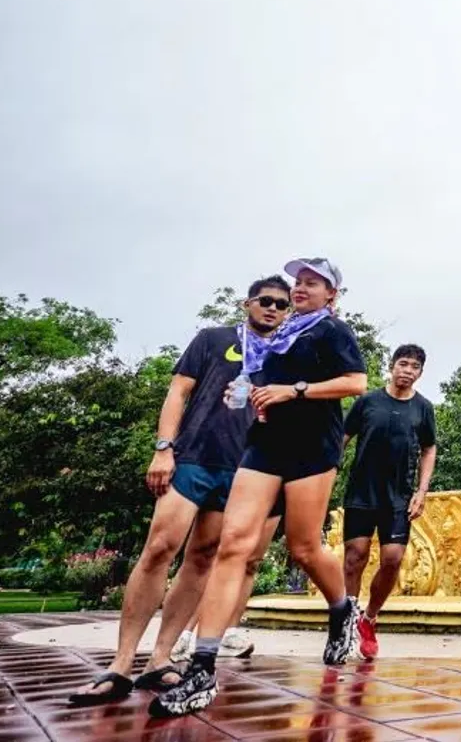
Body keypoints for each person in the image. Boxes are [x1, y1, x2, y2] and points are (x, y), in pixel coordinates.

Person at [152, 258, 369, 718]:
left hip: (314, 449)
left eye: (313, 283)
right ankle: (202, 665)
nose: (301, 288)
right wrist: (259, 398)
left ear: (332, 294)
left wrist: (295, 390)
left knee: (305, 547)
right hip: (265, 446)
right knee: (234, 545)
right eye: (299, 282)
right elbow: (262, 385)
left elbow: (356, 383)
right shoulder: (280, 336)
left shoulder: (332, 331)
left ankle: (342, 607)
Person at [68, 277, 289, 706]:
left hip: (242, 468)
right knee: (159, 548)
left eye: (282, 305)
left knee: (203, 558)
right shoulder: (213, 339)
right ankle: (120, 664)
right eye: (266, 301)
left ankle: (161, 659)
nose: (273, 309)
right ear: (248, 303)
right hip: (192, 458)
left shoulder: (285, 355)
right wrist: (163, 449)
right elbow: (179, 391)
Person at [340, 343, 437, 661]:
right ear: (392, 365)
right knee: (354, 557)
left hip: (399, 496)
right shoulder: (367, 401)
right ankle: (347, 623)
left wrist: (422, 490)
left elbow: (429, 449)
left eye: (414, 367)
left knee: (392, 558)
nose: (407, 371)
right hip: (361, 492)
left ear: (420, 373)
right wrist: (325, 471)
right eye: (404, 364)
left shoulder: (423, 408)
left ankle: (369, 617)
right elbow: (343, 437)